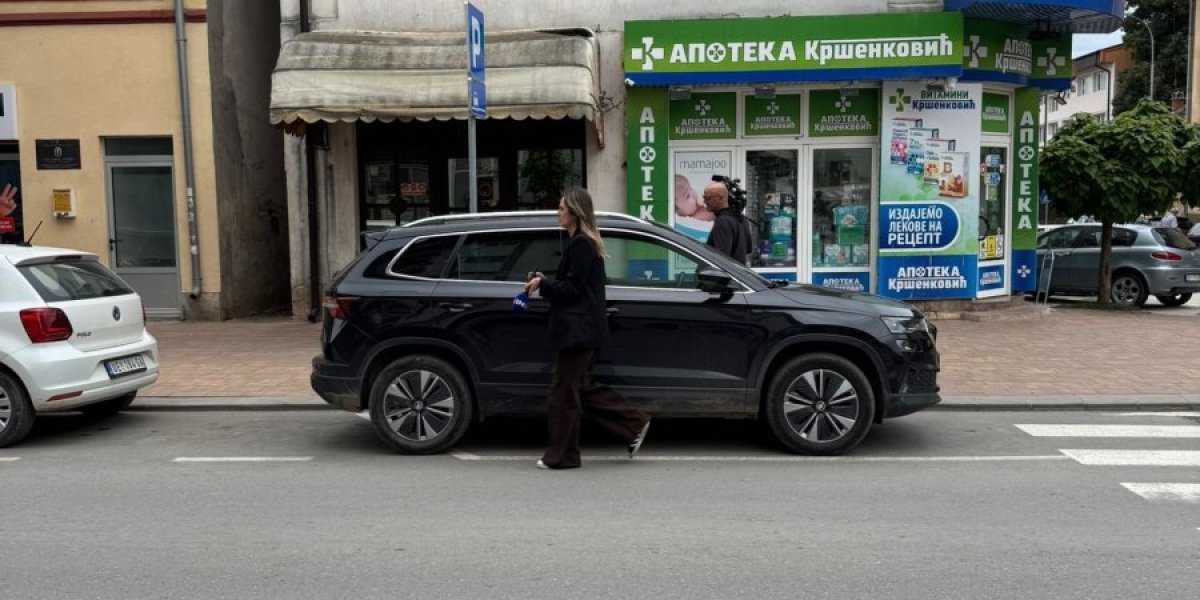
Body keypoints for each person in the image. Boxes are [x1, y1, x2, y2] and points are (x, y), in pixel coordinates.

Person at [523, 188, 651, 470]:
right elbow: (574, 284)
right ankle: (632, 424)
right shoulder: (581, 242)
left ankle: (562, 456)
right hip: (581, 329)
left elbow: (572, 290)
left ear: (575, 213)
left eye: (561, 208)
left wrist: (542, 285)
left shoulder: (581, 244)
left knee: (564, 394)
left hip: (577, 331)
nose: (557, 213)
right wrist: (545, 281)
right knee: (576, 388)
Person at [701, 181, 752, 264]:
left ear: (721, 198)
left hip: (724, 275)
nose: (704, 202)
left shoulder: (723, 222)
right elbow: (748, 249)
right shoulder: (741, 218)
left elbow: (720, 259)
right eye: (704, 198)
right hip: (738, 274)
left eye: (708, 198)